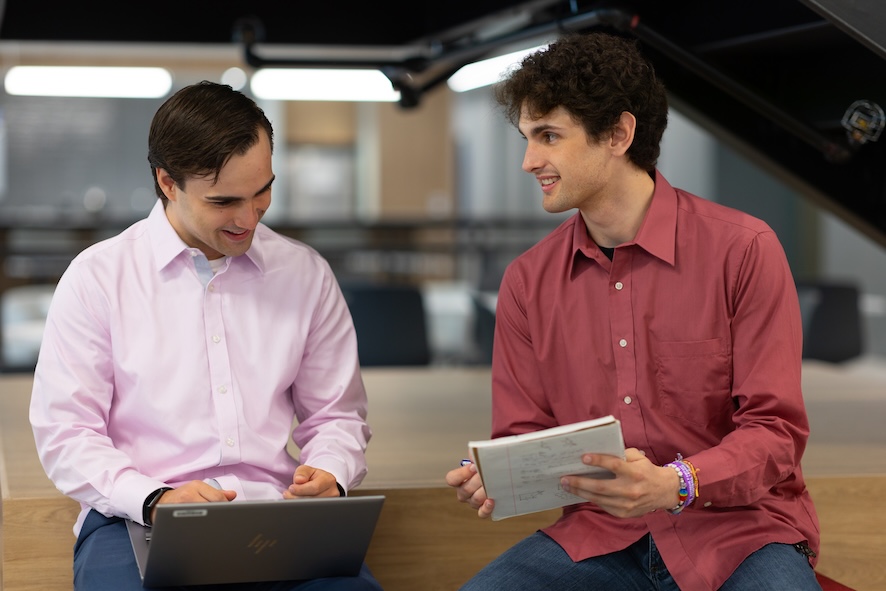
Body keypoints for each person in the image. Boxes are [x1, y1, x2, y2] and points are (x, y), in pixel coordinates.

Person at [445, 32, 821, 591]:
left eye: (548, 136)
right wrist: (502, 473)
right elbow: (526, 436)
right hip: (600, 539)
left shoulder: (743, 250)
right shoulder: (527, 282)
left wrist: (678, 483)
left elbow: (775, 432)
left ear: (619, 134)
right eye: (526, 138)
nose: (528, 161)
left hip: (740, 534)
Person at [30, 81, 383, 591]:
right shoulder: (98, 278)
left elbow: (336, 415)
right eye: (224, 201)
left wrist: (331, 470)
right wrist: (154, 498)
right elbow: (67, 433)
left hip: (276, 511)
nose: (248, 218)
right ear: (167, 183)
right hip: (137, 513)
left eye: (262, 191)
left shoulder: (304, 273)